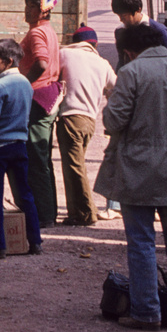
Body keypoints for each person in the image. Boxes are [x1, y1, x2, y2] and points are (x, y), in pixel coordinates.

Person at [95, 23, 167, 330]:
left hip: (138, 169)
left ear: (129, 51)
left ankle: (146, 312)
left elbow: (114, 120)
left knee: (141, 240)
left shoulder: (132, 73)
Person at [0, 38, 42, 258]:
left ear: (7, 61)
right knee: (25, 194)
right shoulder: (26, 83)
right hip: (19, 144)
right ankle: (35, 240)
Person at [57, 24, 116, 226]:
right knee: (77, 163)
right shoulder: (103, 63)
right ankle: (75, 211)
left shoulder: (64, 54)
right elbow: (116, 87)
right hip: (90, 120)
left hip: (71, 116)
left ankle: (85, 213)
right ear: (95, 44)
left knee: (74, 166)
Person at [19, 0, 61, 227]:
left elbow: (42, 63)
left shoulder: (36, 33)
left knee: (36, 158)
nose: (26, 11)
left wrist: (23, 83)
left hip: (38, 97)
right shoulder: (48, 31)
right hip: (48, 96)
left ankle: (44, 215)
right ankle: (48, 211)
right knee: (43, 159)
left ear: (42, 11)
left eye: (31, 7)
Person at [111, 0, 167, 65]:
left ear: (138, 10)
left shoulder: (157, 30)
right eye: (118, 16)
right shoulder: (120, 31)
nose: (121, 19)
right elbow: (122, 62)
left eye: (124, 15)